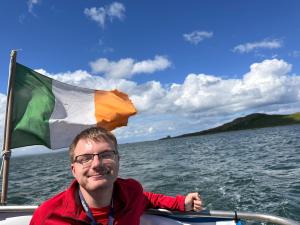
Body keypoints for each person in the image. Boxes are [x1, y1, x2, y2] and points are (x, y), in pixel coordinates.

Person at [30, 127, 202, 225]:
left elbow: (147, 198)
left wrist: (181, 203)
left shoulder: (131, 193)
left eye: (106, 155)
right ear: (73, 169)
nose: (97, 164)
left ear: (118, 161)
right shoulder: (47, 216)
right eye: (85, 158)